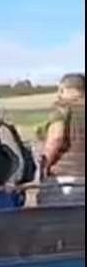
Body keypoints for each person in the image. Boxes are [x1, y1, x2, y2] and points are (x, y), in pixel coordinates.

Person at [39, 72, 85, 205]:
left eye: (60, 90)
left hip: (67, 177)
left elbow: (56, 138)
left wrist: (45, 165)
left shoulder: (63, 108)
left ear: (65, 89)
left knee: (59, 222)